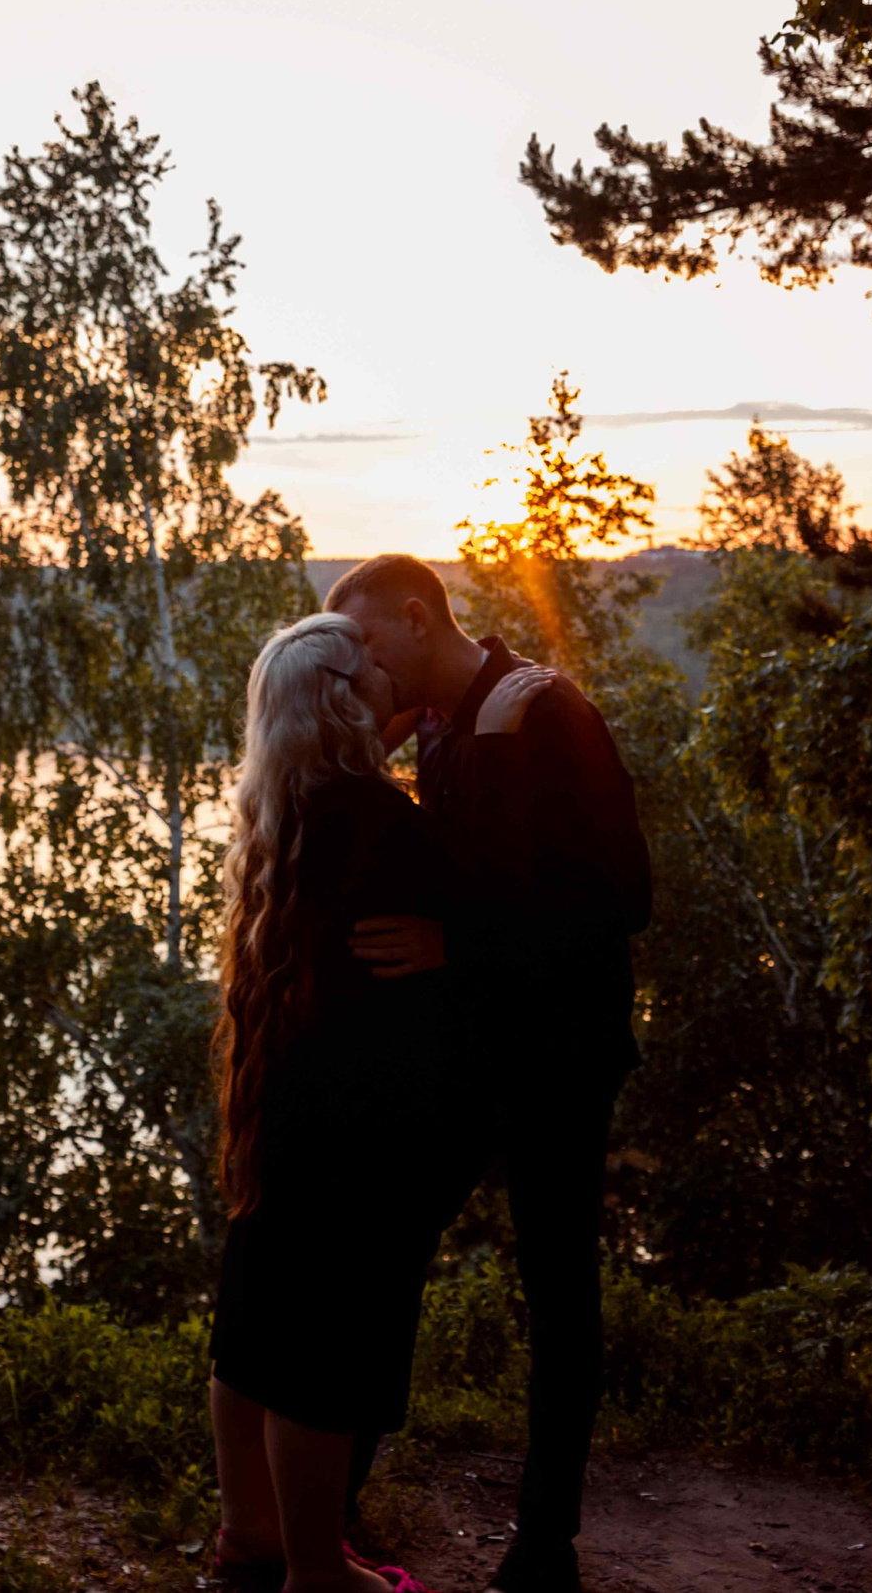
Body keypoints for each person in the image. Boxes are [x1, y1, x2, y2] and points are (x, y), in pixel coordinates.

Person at [207, 610, 556, 1593]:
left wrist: (372, 727)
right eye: (375, 680)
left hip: (289, 1114)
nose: (397, 688)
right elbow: (501, 897)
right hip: (361, 1131)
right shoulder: (380, 829)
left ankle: (252, 1537)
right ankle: (318, 1574)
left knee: (258, 1320)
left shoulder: (288, 806)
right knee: (322, 1352)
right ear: (343, 705)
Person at [325, 553, 653, 1593]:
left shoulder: (544, 710)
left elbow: (620, 899)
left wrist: (458, 946)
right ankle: (328, 1512)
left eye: (369, 649)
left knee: (556, 1287)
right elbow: (465, 866)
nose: (362, 674)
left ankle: (542, 1545)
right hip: (468, 1049)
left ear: (417, 619)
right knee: (380, 1255)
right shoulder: (433, 724)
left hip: (559, 1053)